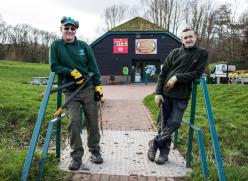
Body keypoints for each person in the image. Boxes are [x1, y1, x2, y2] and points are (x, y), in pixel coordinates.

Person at [147, 28, 208, 164]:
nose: (188, 39)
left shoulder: (202, 53)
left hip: (182, 96)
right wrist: (158, 93)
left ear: (195, 37)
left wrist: (177, 77)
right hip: (166, 95)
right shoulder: (174, 53)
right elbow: (163, 74)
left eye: (190, 36)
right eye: (185, 38)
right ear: (182, 40)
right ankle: (164, 154)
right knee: (164, 125)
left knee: (174, 123)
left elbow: (197, 73)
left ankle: (154, 143)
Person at [50, 16, 103, 170]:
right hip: (70, 90)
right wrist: (70, 72)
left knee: (92, 122)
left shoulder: (84, 47)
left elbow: (94, 67)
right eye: (66, 28)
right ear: (61, 30)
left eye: (72, 28)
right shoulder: (56, 46)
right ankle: (77, 156)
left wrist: (98, 85)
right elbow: (54, 66)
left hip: (88, 88)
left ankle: (95, 151)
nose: (69, 31)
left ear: (75, 31)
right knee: (74, 122)